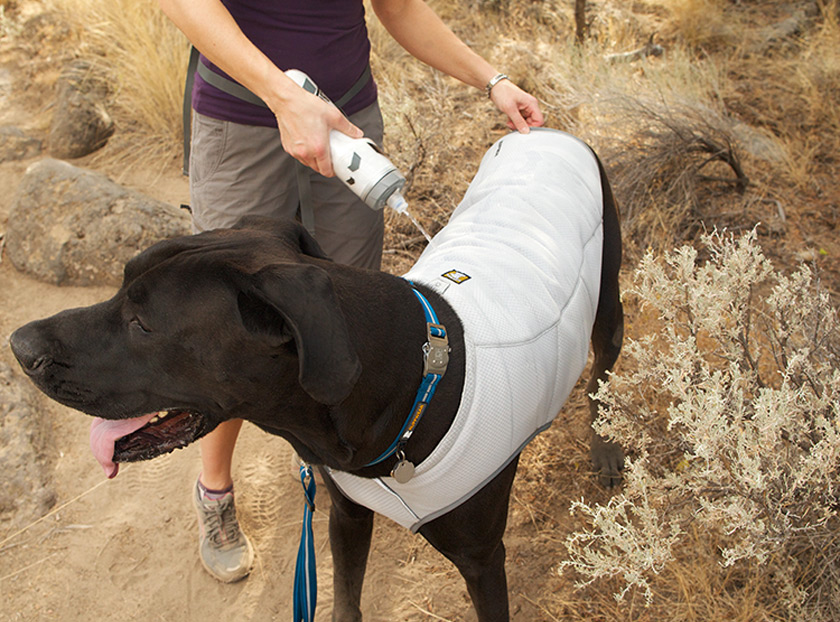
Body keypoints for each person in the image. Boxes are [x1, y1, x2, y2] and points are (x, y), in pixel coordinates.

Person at [158, 0, 544, 583]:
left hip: (347, 128)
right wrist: (284, 97)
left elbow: (402, 8)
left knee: (337, 314)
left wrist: (493, 80)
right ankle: (214, 491)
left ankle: (317, 455)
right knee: (226, 327)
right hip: (241, 121)